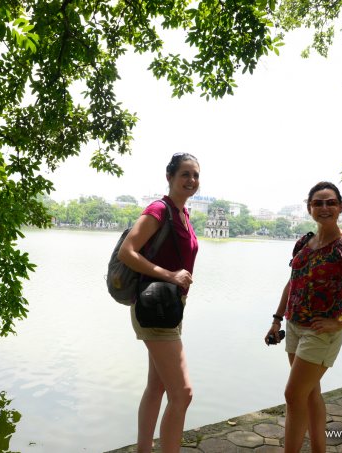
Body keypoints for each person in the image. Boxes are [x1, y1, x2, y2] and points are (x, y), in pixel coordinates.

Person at [265, 181, 342, 453]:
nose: (324, 207)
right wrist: (276, 319)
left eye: (330, 202)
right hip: (294, 325)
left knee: (293, 395)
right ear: (309, 208)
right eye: (318, 203)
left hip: (321, 331)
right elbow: (292, 283)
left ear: (340, 207)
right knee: (309, 394)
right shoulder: (304, 242)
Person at [117, 152, 200, 453]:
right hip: (154, 307)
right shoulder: (158, 210)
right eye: (185, 174)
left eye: (195, 175)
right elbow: (127, 251)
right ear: (170, 177)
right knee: (183, 393)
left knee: (158, 386)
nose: (191, 180)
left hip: (170, 308)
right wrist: (170, 275)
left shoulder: (183, 214)